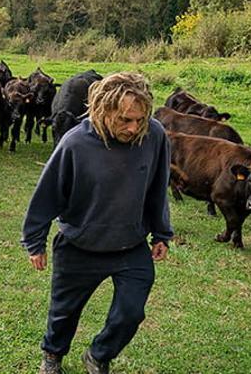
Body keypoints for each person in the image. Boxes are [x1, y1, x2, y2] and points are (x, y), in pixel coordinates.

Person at [21, 72, 173, 374]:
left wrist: (161, 233)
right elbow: (48, 193)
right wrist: (34, 240)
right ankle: (52, 355)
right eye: (125, 120)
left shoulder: (154, 135)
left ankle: (98, 355)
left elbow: (158, 185)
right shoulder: (76, 143)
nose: (134, 128)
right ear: (102, 110)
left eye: (140, 120)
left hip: (130, 245)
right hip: (80, 245)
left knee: (131, 312)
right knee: (64, 313)